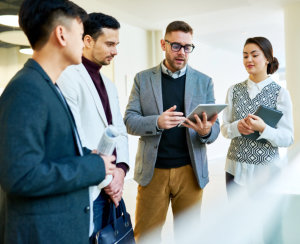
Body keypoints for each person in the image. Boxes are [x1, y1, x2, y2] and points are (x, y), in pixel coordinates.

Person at [0, 1, 116, 243]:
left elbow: (52, 151)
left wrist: (87, 154)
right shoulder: (26, 89)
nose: (84, 40)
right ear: (61, 34)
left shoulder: (48, 86)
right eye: (81, 32)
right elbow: (21, 176)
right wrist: (94, 167)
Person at [124, 20, 220, 241]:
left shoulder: (204, 82)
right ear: (163, 44)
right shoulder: (143, 79)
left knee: (190, 236)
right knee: (146, 236)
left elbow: (214, 131)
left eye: (188, 47)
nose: (182, 53)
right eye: (176, 45)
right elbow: (129, 121)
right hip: (153, 172)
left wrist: (206, 131)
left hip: (191, 172)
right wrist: (157, 122)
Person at [57, 12, 129, 242]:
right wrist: (108, 182)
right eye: (109, 44)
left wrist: (122, 170)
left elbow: (120, 129)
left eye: (116, 44)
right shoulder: (68, 76)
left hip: (114, 182)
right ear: (88, 40)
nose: (115, 51)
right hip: (92, 187)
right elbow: (75, 138)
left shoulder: (109, 84)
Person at [221, 36, 294, 197]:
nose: (249, 59)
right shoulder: (233, 90)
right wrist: (237, 127)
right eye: (245, 55)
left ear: (267, 58)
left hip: (266, 172)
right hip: (234, 169)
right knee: (236, 219)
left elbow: (288, 138)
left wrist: (264, 129)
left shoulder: (280, 93)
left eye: (255, 55)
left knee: (266, 223)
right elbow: (225, 129)